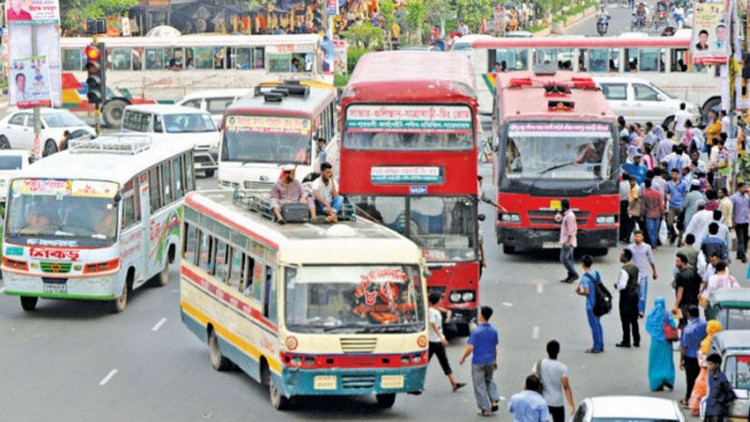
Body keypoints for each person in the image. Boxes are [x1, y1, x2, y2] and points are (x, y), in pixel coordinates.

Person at [459, 306, 500, 417]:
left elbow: (470, 347)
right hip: (490, 360)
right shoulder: (494, 330)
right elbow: (494, 347)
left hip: (478, 361)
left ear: (481, 315)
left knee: (479, 385)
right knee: (489, 380)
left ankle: (485, 409)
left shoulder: (476, 331)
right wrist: (495, 360)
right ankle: (494, 401)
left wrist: (463, 357)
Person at [427, 293, 466, 392]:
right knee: (426, 362)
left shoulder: (434, 309)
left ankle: (454, 383)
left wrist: (447, 311)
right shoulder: (431, 311)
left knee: (444, 362)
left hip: (437, 340)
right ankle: (416, 383)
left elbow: (438, 308)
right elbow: (432, 323)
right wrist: (441, 337)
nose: (441, 301)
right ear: (437, 301)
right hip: (433, 340)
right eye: (440, 299)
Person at [530, 340, 575, 422]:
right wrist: (571, 405)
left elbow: (532, 381)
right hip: (557, 402)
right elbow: (566, 387)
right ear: (558, 351)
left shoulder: (538, 364)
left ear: (547, 350)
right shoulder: (562, 367)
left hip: (542, 401)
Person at [689, 321, 723, 416]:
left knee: (700, 390)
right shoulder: (715, 344)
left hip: (702, 372)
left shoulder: (704, 342)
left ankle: (696, 408)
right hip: (709, 372)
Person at [646, 296, 676, 391]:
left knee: (655, 362)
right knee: (667, 361)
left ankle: (656, 381)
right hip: (666, 342)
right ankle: (667, 378)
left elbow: (648, 326)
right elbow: (673, 324)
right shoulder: (666, 314)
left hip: (655, 343)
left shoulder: (651, 315)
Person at [680, 305, 707, 407]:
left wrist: (681, 360)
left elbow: (684, 346)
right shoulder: (704, 324)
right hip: (701, 355)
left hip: (690, 356)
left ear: (689, 314)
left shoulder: (688, 329)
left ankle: (689, 398)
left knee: (690, 379)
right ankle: (698, 397)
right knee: (699, 377)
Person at [577, 255, 604, 353]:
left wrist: (579, 292)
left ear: (583, 264)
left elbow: (587, 292)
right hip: (598, 303)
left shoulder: (585, 277)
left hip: (591, 305)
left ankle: (596, 347)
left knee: (594, 326)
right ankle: (601, 345)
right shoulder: (596, 273)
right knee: (598, 324)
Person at [615, 248, 641, 348]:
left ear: (625, 257)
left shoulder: (624, 269)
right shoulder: (635, 267)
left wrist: (617, 286)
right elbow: (638, 280)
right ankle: (637, 339)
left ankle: (626, 340)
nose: (620, 257)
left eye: (621, 255)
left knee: (625, 318)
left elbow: (622, 285)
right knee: (634, 319)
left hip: (626, 296)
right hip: (634, 294)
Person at [628, 230, 657, 317]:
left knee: (643, 294)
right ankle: (635, 309)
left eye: (640, 236)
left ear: (642, 237)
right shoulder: (630, 248)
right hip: (633, 274)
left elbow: (651, 260)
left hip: (643, 274)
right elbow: (626, 260)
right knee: (634, 294)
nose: (638, 238)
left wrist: (654, 271)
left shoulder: (647, 247)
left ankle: (641, 310)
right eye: (636, 236)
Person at [704, 353, 736, 422]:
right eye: (708, 364)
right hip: (709, 409)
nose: (709, 366)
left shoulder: (722, 378)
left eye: (711, 364)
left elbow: (731, 395)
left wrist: (720, 401)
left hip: (717, 412)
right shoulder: (710, 376)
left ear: (717, 365)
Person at [673, 253, 702, 326]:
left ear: (683, 262)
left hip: (683, 303)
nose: (676, 263)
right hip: (694, 302)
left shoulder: (680, 276)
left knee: (683, 324)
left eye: (678, 261)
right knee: (694, 322)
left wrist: (676, 305)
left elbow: (680, 291)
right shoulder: (694, 273)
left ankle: (685, 336)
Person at [558, 199, 579, 283]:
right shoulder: (568, 214)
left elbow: (571, 230)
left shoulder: (570, 216)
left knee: (564, 258)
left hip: (568, 241)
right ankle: (570, 275)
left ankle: (574, 274)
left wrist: (568, 241)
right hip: (568, 240)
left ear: (563, 206)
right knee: (570, 259)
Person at [642, 179, 665, 248]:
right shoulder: (657, 193)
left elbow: (643, 206)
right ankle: (654, 243)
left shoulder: (645, 194)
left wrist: (641, 214)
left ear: (645, 185)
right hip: (657, 214)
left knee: (650, 230)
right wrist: (662, 213)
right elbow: (661, 205)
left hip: (649, 215)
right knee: (655, 230)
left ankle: (653, 244)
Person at [732, 183, 750, 263]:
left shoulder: (746, 197)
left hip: (746, 221)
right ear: (739, 188)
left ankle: (739, 253)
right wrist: (733, 220)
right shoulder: (734, 197)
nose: (745, 189)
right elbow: (732, 209)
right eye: (743, 187)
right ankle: (743, 256)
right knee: (740, 239)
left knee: (745, 238)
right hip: (738, 221)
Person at [619, 172, 632, 243]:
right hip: (628, 202)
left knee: (621, 219)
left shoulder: (620, 184)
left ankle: (621, 235)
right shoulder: (630, 185)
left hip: (621, 203)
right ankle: (626, 235)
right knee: (627, 220)